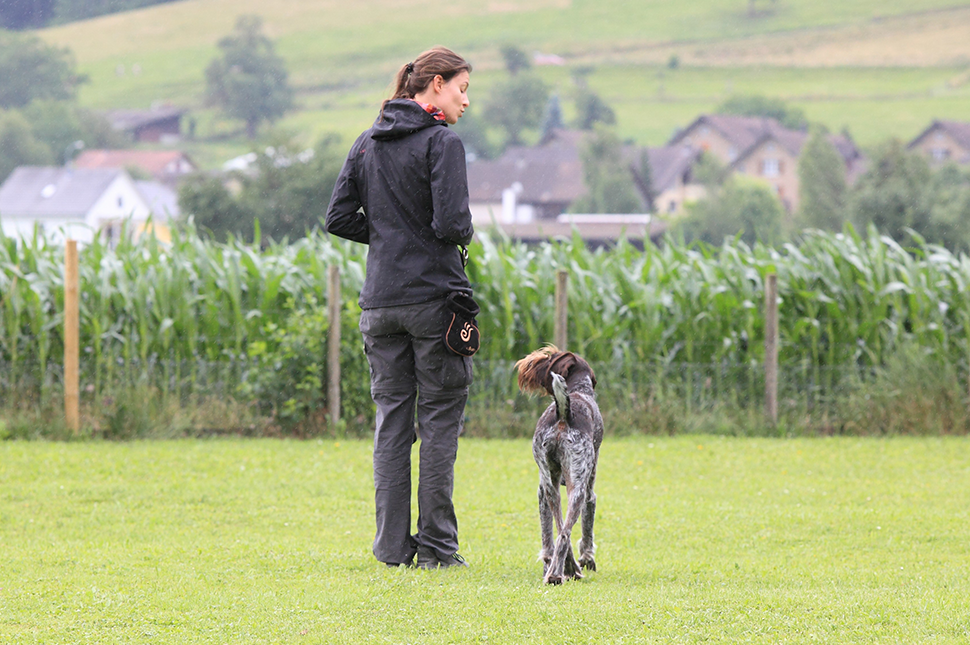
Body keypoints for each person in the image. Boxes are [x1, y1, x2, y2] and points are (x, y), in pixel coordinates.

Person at [325, 47, 474, 569]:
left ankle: (391, 549)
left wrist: (388, 237)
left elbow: (339, 217)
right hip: (435, 302)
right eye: (461, 88)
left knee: (392, 421)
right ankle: (436, 549)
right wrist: (431, 237)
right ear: (434, 84)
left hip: (379, 305)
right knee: (437, 421)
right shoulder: (442, 143)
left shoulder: (367, 142)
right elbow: (454, 225)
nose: (465, 101)